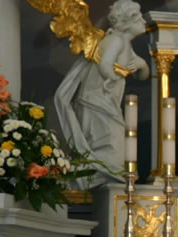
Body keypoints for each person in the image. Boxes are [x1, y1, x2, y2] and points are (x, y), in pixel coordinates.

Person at [54, 0, 150, 188]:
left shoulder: (126, 44)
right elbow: (105, 64)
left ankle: (95, 178)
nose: (144, 21)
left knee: (113, 146)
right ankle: (91, 178)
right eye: (139, 18)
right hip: (96, 102)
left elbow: (142, 76)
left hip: (107, 103)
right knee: (112, 146)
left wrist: (143, 65)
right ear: (128, 22)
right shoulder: (115, 40)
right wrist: (112, 77)